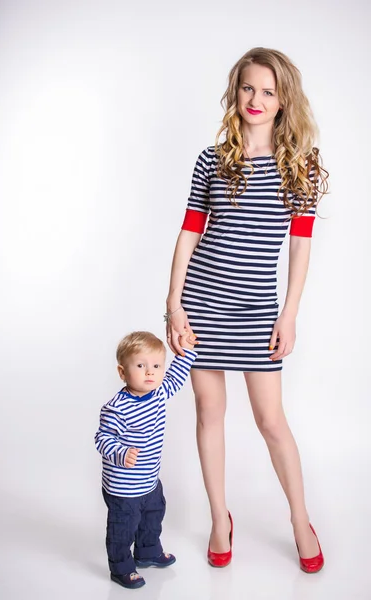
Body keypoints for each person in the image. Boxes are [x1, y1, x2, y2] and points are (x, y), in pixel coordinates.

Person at [165, 47, 329, 573]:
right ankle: (219, 518)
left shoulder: (298, 164)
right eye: (247, 88)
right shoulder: (212, 159)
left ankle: (300, 520)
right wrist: (173, 304)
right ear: (235, 91)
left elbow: (299, 247)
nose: (255, 99)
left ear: (284, 102)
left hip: (258, 311)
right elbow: (191, 231)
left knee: (270, 420)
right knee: (209, 413)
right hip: (203, 302)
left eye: (268, 91)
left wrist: (289, 313)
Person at [94, 330, 197, 589]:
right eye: (141, 366)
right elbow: (102, 438)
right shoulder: (116, 407)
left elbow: (176, 376)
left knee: (154, 515)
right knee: (123, 528)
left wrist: (186, 350)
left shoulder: (160, 393)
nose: (150, 372)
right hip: (124, 487)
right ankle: (121, 567)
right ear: (122, 372)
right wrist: (120, 452)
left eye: (156, 366)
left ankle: (148, 552)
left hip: (150, 481)